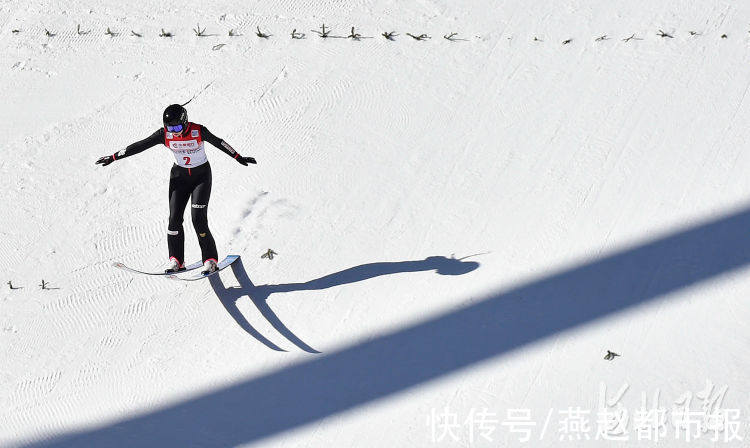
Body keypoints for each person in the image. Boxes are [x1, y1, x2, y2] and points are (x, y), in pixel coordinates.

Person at [96, 104, 256, 273]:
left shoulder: (198, 131)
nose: (175, 132)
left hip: (201, 177)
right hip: (179, 178)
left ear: (185, 122)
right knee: (174, 220)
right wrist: (113, 157)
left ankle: (210, 259)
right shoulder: (164, 135)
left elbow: (219, 142)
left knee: (198, 219)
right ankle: (176, 260)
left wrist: (238, 156)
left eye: (178, 127)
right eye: (170, 128)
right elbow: (140, 145)